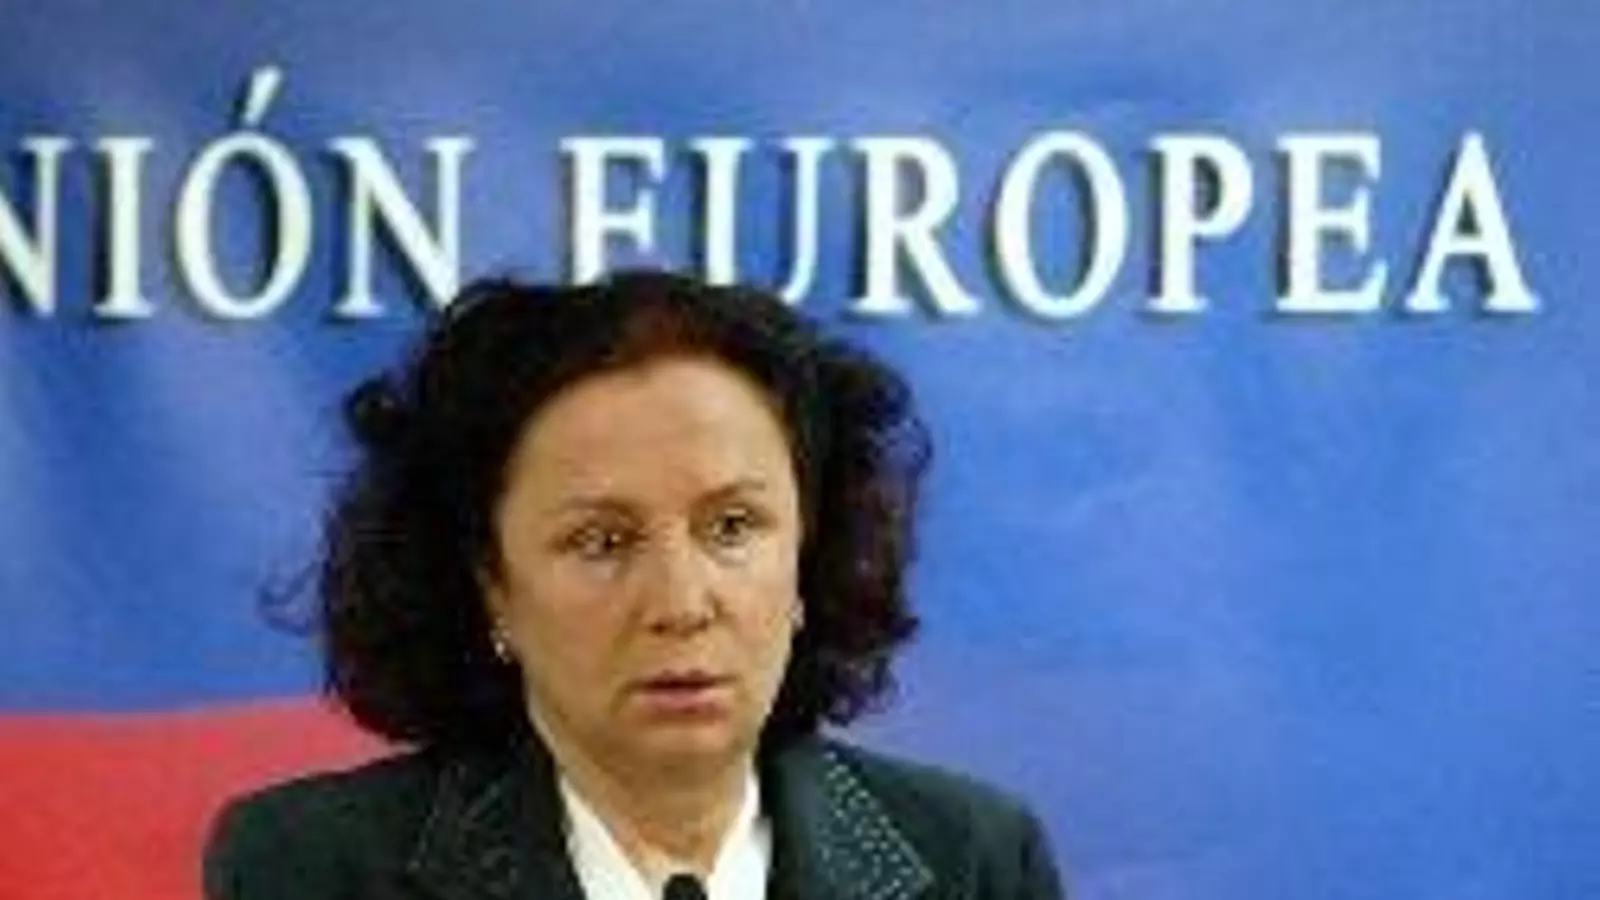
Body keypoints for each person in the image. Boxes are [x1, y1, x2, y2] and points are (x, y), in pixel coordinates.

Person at [203, 270, 1065, 899]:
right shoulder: (316, 869)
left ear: (810, 552)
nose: (681, 605)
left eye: (733, 527)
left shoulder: (974, 859)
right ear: (490, 584)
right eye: (602, 541)